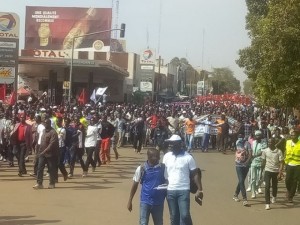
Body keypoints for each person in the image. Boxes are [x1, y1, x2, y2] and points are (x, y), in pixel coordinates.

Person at [163, 134, 203, 225]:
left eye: (172, 143)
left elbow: (195, 174)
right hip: (170, 190)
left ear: (179, 144)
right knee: (174, 216)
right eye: (169, 143)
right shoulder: (166, 157)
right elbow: (163, 172)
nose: (170, 145)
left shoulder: (188, 157)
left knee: (184, 215)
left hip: (184, 190)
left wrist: (200, 189)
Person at [127, 148, 167, 225]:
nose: (158, 158)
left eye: (158, 156)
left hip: (158, 203)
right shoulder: (141, 169)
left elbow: (167, 184)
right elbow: (135, 185)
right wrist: (130, 200)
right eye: (155, 156)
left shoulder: (163, 168)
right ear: (148, 157)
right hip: (145, 202)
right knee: (143, 223)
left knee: (159, 223)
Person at [33, 119, 59, 189]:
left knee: (51, 169)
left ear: (50, 124)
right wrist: (38, 152)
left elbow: (51, 145)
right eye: (44, 123)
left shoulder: (53, 132)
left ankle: (52, 183)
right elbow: (42, 142)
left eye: (47, 123)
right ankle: (39, 183)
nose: (45, 124)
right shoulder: (44, 131)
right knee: (40, 168)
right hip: (42, 153)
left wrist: (43, 152)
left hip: (51, 154)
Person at [261, 137, 284, 210]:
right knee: (267, 186)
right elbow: (263, 161)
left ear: (274, 143)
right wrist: (261, 170)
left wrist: (280, 172)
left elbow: (281, 163)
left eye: (271, 142)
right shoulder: (265, 151)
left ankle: (274, 196)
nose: (269, 143)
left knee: (275, 186)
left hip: (276, 171)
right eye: (269, 142)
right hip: (267, 170)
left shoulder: (279, 151)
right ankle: (267, 203)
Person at [233, 134, 252, 206]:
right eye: (239, 137)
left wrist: (247, 161)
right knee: (241, 180)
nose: (240, 138)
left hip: (246, 165)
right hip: (238, 165)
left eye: (241, 137)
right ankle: (245, 199)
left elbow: (250, 154)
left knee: (241, 181)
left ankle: (235, 195)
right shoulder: (237, 143)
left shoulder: (247, 144)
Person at [284, 129, 300, 203]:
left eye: (294, 135)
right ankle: (289, 190)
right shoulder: (288, 142)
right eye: (291, 135)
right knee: (287, 180)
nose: (292, 136)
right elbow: (286, 153)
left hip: (297, 165)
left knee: (294, 181)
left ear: (297, 136)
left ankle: (291, 196)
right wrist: (285, 164)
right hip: (289, 164)